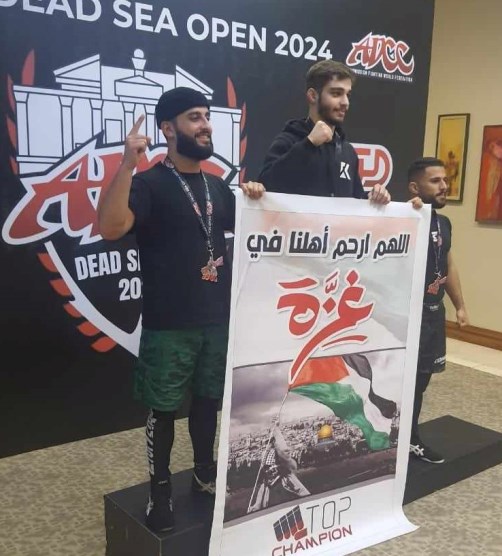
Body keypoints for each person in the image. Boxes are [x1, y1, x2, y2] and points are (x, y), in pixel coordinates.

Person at [98, 87, 263, 533]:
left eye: (207, 116)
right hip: (169, 324)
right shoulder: (149, 183)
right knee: (164, 410)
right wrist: (126, 166)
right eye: (195, 117)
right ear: (168, 129)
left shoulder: (218, 187)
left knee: (208, 402)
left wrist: (256, 197)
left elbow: (261, 230)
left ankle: (205, 474)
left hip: (216, 319)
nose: (206, 125)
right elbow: (110, 227)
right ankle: (160, 490)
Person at [258, 59, 390, 204]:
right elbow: (265, 187)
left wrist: (373, 197)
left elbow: (354, 201)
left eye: (348, 95)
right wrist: (309, 144)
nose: (345, 102)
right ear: (313, 96)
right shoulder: (289, 140)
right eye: (336, 93)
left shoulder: (347, 151)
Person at [407, 157, 469, 463]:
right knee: (402, 384)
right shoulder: (402, 217)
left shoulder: (444, 223)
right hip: (408, 317)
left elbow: (448, 264)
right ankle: (396, 439)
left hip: (433, 313)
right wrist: (408, 212)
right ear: (415, 187)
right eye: (435, 181)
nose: (444, 186)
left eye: (445, 180)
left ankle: (410, 439)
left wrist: (460, 305)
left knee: (421, 382)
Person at [248, 421, 310, 513]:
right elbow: (259, 499)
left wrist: (276, 429)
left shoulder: (278, 453)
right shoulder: (264, 455)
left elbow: (284, 450)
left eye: (270, 441)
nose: (268, 444)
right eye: (266, 442)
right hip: (270, 486)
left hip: (282, 482)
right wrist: (254, 507)